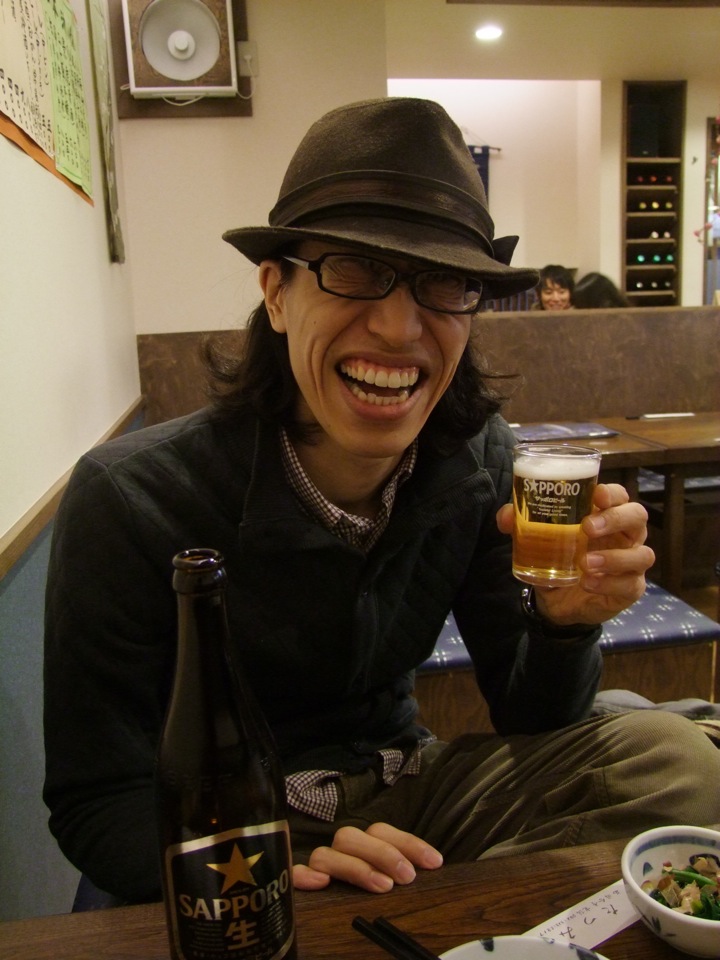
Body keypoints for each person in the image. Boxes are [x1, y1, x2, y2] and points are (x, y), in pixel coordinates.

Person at [43, 97, 720, 905]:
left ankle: (429, 913)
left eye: (444, 284)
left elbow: (534, 716)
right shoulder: (132, 500)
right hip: (244, 833)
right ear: (277, 293)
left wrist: (565, 625)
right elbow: (98, 802)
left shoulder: (476, 461)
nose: (400, 329)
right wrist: (280, 869)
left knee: (675, 761)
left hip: (413, 794)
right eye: (355, 271)